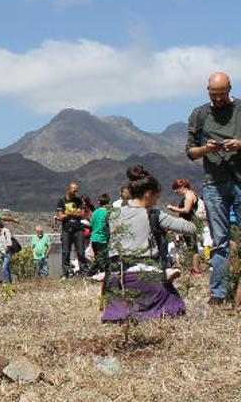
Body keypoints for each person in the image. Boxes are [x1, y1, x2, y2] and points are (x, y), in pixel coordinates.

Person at [101, 165, 196, 322]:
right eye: (157, 197)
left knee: (121, 311)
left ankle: (121, 312)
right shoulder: (154, 215)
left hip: (118, 281)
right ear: (148, 194)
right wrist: (192, 214)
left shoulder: (112, 215)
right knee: (176, 306)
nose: (157, 200)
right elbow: (190, 229)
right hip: (146, 279)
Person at [186, 71, 241, 304]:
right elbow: (190, 152)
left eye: (221, 94)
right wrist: (206, 149)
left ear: (229, 90)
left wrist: (239, 144)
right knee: (219, 241)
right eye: (213, 94)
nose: (217, 98)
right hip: (213, 184)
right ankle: (218, 293)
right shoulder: (199, 114)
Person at [166, 179, 204, 277]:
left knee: (192, 247)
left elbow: (186, 210)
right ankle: (195, 269)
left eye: (176, 189)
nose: (175, 192)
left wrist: (173, 208)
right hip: (188, 224)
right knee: (191, 247)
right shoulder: (192, 194)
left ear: (181, 187)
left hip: (190, 224)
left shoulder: (189, 195)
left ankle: (197, 271)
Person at [57, 182, 89, 279]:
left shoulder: (79, 201)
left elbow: (82, 214)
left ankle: (84, 272)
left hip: (78, 230)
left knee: (80, 252)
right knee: (66, 252)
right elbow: (60, 216)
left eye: (76, 191)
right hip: (66, 230)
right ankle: (65, 274)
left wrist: (68, 213)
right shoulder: (61, 201)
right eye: (73, 190)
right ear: (69, 189)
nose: (75, 192)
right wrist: (73, 213)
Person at [88, 194, 112, 277]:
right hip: (103, 239)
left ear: (99, 202)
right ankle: (91, 273)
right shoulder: (108, 213)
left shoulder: (95, 213)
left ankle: (95, 274)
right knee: (102, 259)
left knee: (98, 258)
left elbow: (90, 225)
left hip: (94, 238)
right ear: (108, 202)